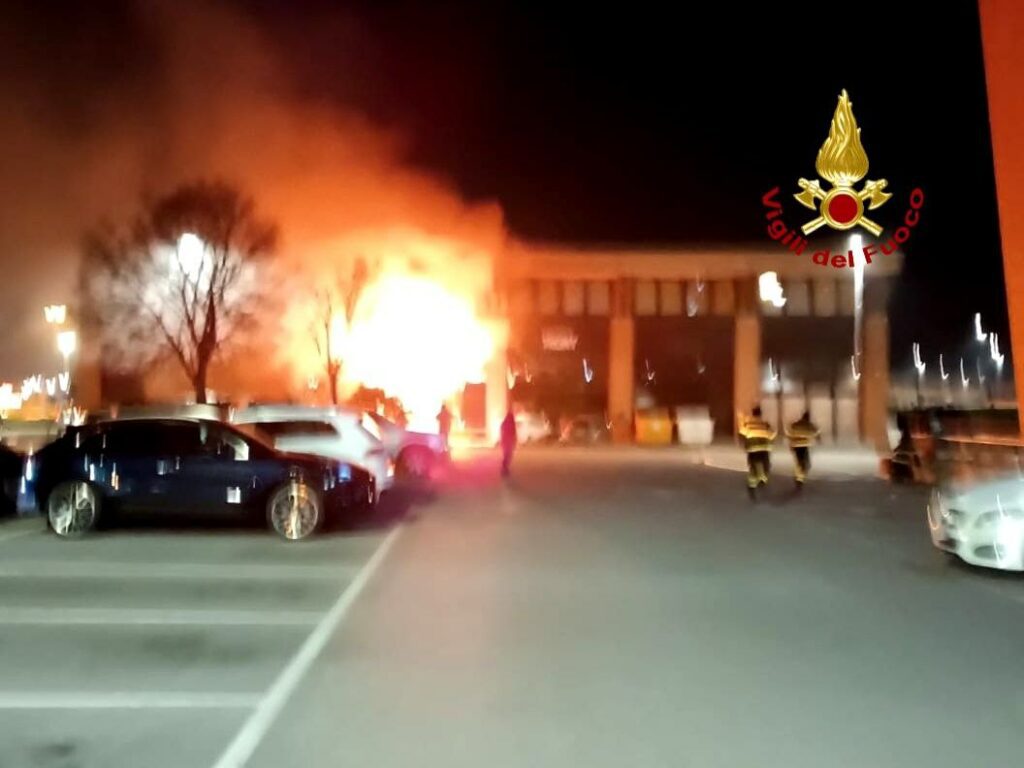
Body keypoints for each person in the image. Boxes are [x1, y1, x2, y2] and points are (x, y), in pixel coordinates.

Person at [739, 406, 776, 499]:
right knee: (766, 465)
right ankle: (762, 479)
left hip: (752, 448)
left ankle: (751, 485)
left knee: (753, 467)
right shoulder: (765, 424)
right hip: (764, 447)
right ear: (761, 414)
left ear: (753, 413)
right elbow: (772, 434)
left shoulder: (748, 423)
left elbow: (742, 431)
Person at [785, 410, 820, 489]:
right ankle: (800, 478)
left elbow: (789, 432)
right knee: (806, 463)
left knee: (799, 462)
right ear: (808, 417)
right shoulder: (809, 425)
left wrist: (790, 443)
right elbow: (816, 432)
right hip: (804, 446)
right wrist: (818, 439)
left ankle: (799, 477)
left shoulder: (796, 424)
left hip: (795, 446)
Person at [500, 409, 518, 478]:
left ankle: (505, 469)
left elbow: (502, 432)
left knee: (506, 455)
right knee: (508, 456)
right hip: (508, 442)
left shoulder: (504, 423)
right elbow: (514, 434)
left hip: (505, 441)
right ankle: (504, 469)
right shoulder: (511, 424)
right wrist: (514, 441)